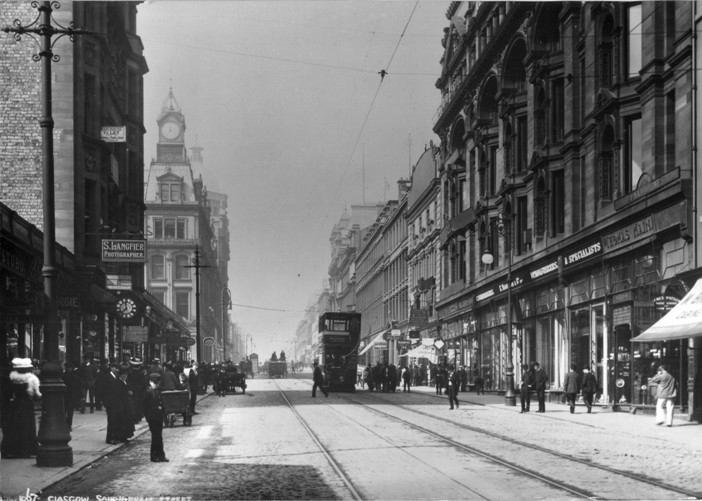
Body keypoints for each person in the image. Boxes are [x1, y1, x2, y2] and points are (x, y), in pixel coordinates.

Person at [1, 358, 41, 458]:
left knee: (13, 427)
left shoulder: (11, 379)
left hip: (14, 406)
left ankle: (12, 450)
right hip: (27, 406)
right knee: (27, 428)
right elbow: (36, 395)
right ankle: (26, 450)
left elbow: (6, 394)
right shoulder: (32, 379)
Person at [143, 372, 168, 462]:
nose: (156, 384)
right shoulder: (148, 392)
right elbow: (145, 407)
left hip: (158, 417)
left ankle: (161, 455)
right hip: (152, 418)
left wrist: (163, 413)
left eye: (157, 382)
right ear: (150, 382)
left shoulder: (157, 391)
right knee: (155, 437)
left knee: (159, 437)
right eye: (154, 382)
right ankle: (154, 456)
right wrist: (148, 417)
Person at [63, 360, 82, 431]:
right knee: (65, 412)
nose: (68, 369)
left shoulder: (75, 377)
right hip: (65, 397)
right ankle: (66, 425)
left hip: (71, 397)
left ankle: (69, 425)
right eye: (67, 367)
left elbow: (78, 387)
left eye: (69, 368)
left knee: (70, 412)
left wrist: (78, 396)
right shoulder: (62, 376)